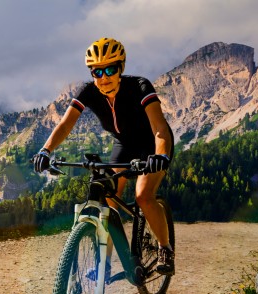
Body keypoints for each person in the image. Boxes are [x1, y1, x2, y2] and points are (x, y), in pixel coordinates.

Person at [32, 37, 175, 273]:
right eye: (97, 71)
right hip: (124, 144)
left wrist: (160, 155)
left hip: (153, 144)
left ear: (121, 68)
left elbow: (160, 128)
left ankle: (165, 249)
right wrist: (45, 150)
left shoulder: (140, 86)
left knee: (143, 195)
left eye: (110, 69)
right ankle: (104, 263)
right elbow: (65, 125)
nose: (103, 77)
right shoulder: (89, 92)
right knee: (108, 196)